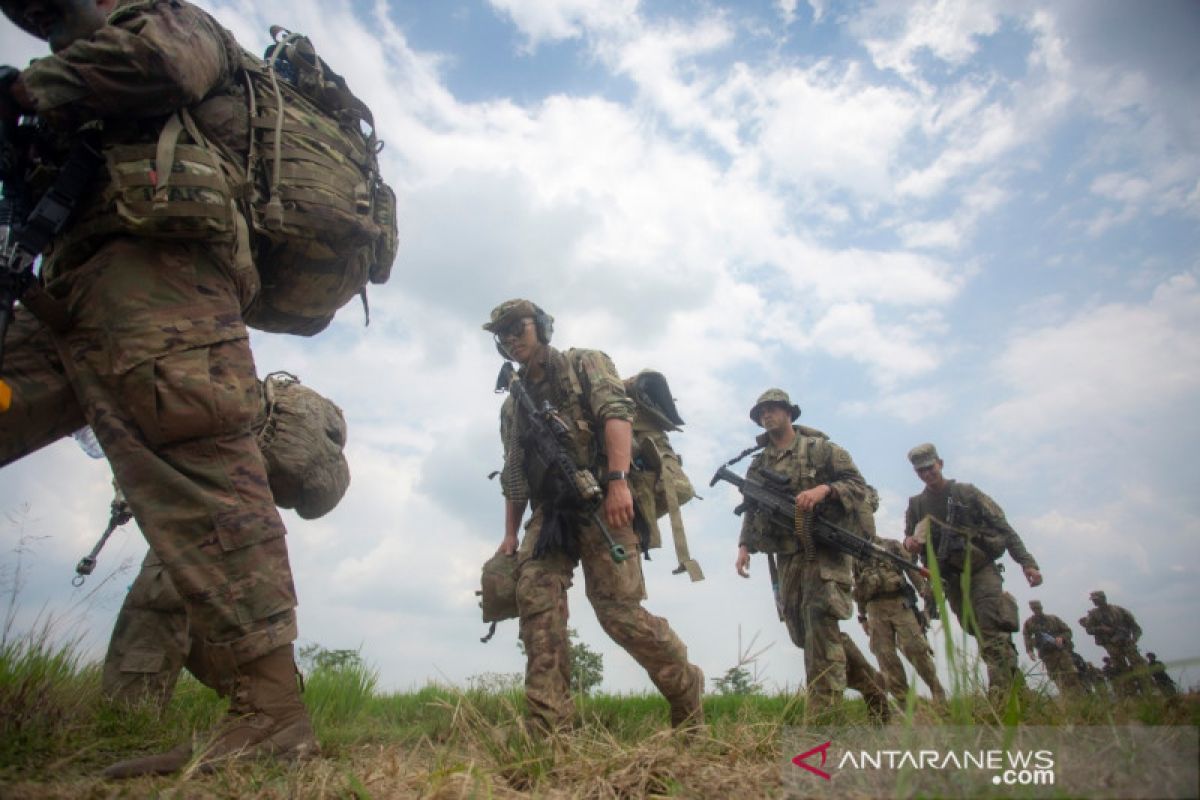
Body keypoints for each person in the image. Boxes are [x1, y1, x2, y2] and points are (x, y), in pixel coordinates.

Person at [0, 0, 315, 776]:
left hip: (161, 280)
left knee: (204, 471)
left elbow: (164, 65)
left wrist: (24, 93)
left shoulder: (166, 20)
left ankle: (273, 714)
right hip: (68, 289)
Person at [486, 299, 703, 732]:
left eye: (517, 328)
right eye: (501, 334)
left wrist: (619, 481)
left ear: (541, 327)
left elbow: (615, 415)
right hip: (552, 514)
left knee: (619, 614)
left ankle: (685, 688)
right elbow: (514, 472)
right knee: (535, 598)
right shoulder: (512, 406)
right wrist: (510, 534)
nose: (510, 339)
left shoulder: (584, 363)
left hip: (604, 496)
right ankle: (549, 726)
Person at [734, 389, 890, 718]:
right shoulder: (759, 462)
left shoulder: (821, 450)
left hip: (823, 551)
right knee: (802, 634)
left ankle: (823, 719)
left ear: (789, 413)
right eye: (762, 411)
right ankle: (872, 686)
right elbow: (753, 505)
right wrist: (744, 545)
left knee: (820, 625)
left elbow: (857, 485)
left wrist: (825, 489)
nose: (767, 415)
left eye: (773, 409)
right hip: (786, 555)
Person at [902, 443, 1042, 697]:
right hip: (950, 579)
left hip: (980, 571)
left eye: (930, 468)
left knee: (990, 627)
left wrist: (1027, 563)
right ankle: (1018, 692)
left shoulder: (966, 493)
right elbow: (909, 542)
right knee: (974, 628)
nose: (927, 474)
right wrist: (910, 543)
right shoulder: (917, 505)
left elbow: (1003, 527)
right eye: (921, 471)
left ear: (940, 464)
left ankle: (1000, 696)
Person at [855, 536, 946, 703]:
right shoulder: (853, 549)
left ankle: (938, 693)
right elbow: (858, 586)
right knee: (886, 657)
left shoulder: (890, 545)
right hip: (874, 609)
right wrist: (862, 617)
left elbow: (912, 570)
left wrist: (926, 594)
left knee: (915, 648)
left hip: (899, 604)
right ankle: (905, 702)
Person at [1080, 591, 1148, 696]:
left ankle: (1147, 690)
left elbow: (1136, 628)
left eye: (1096, 599)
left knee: (1139, 666)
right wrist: (1101, 629)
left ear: (1103, 598)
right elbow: (1089, 630)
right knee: (1121, 670)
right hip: (1112, 646)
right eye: (1093, 600)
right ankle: (1131, 694)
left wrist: (1133, 639)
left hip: (1127, 643)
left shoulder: (1119, 610)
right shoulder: (1094, 615)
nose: (1095, 602)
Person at [1021, 600, 1081, 696]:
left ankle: (1080, 698)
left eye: (1038, 608)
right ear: (1031, 609)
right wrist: (1030, 651)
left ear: (1041, 607)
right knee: (1057, 678)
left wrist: (1061, 638)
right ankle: (1067, 700)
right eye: (1034, 608)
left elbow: (1067, 631)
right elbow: (1026, 637)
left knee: (1071, 676)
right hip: (1047, 656)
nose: (1036, 610)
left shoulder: (1053, 619)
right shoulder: (1029, 623)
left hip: (1061, 653)